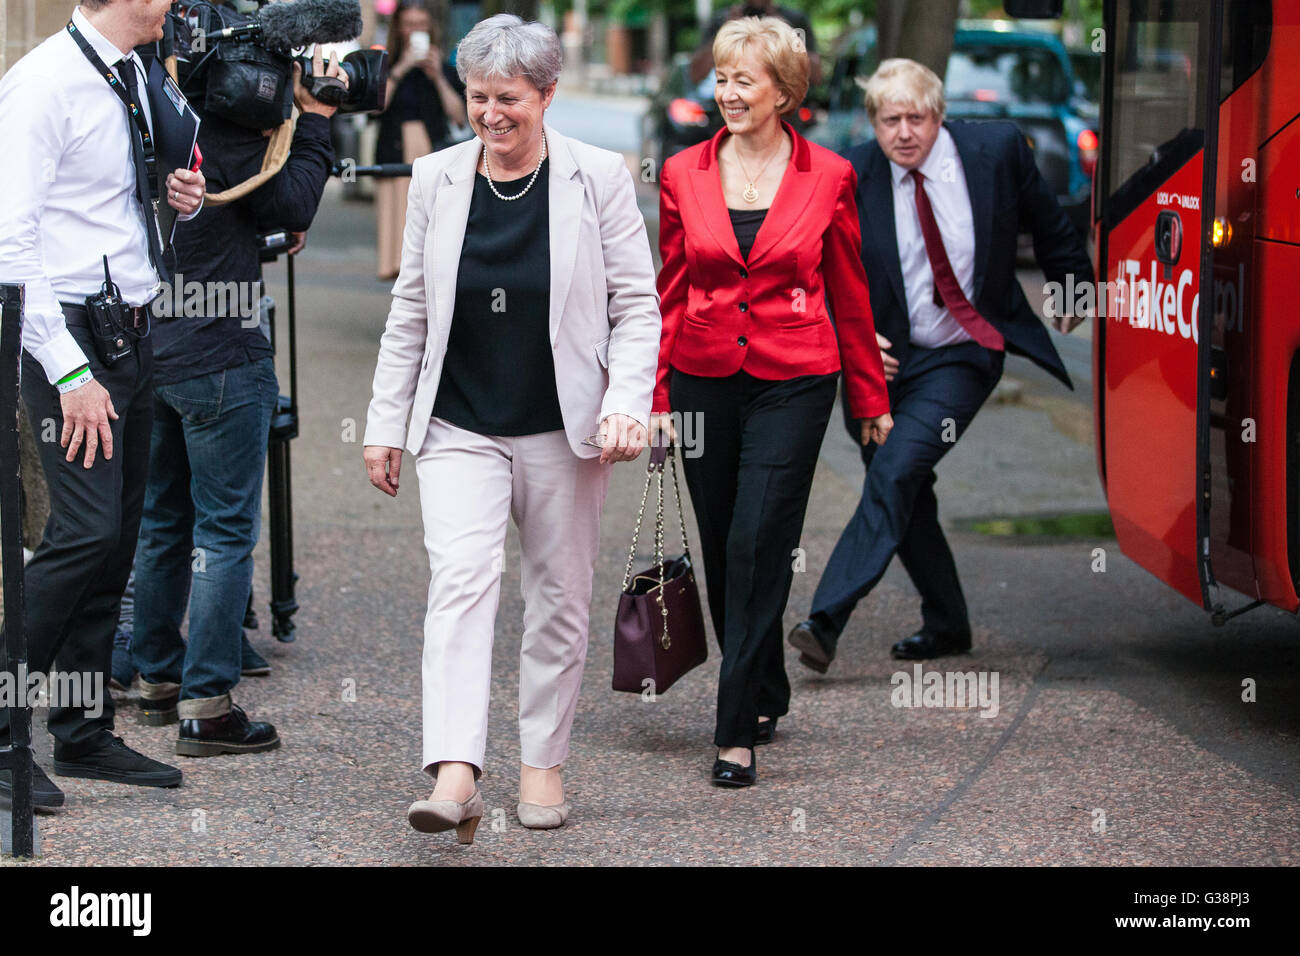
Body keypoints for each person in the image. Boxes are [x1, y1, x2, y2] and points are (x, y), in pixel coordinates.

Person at [362, 14, 659, 841]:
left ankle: (543, 763)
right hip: (459, 421)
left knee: (560, 598)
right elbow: (411, 309)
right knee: (460, 581)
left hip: (564, 428)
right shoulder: (437, 179)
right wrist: (386, 422)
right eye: (481, 97)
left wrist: (626, 399)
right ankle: (455, 769)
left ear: (547, 95)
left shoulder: (597, 178)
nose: (493, 115)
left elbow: (637, 304)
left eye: (512, 100)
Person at [787, 59, 1093, 669]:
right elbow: (809, 265)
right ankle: (948, 622)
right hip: (883, 364)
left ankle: (826, 619)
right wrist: (851, 337)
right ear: (873, 122)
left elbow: (1050, 221)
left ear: (939, 115)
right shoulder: (850, 173)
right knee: (904, 487)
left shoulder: (997, 150)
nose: (904, 133)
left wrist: (1074, 287)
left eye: (916, 119)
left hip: (963, 349)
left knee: (897, 470)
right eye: (890, 120)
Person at [652, 16, 892, 789]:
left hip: (796, 378)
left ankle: (732, 731)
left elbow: (850, 295)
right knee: (724, 546)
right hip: (700, 378)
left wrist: (869, 396)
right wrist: (656, 398)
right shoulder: (683, 173)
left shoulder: (830, 177)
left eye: (744, 80)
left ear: (784, 92)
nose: (727, 93)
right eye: (721, 78)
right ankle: (765, 686)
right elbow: (669, 294)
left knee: (758, 539)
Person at [0, 0, 205, 809]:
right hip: (70, 333)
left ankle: (82, 731)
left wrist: (176, 194)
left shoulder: (130, 72)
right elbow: (10, 243)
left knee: (116, 539)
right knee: (83, 533)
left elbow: (108, 201)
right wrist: (70, 372)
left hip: (131, 324)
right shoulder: (45, 83)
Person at [129, 38, 344, 755]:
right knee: (223, 533)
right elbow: (296, 199)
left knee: (164, 521)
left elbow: (239, 226)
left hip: (157, 351)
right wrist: (315, 121)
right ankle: (208, 705)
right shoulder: (248, 143)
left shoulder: (166, 122)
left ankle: (157, 680)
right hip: (224, 357)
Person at [374, 0, 468, 279]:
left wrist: (437, 76)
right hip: (394, 150)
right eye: (409, 24)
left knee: (431, 232)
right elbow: (376, 108)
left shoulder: (447, 68)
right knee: (397, 232)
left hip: (432, 152)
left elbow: (460, 117)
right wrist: (401, 68)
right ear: (399, 28)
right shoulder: (386, 65)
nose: (415, 30)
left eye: (421, 25)